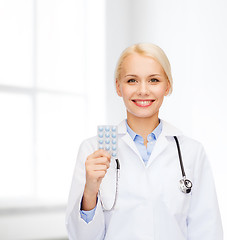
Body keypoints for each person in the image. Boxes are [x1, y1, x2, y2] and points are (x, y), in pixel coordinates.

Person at [65, 43, 223, 240]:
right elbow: (81, 237)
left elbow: (207, 230)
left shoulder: (191, 152)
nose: (143, 90)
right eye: (132, 80)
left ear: (168, 86)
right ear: (118, 87)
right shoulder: (93, 149)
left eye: (153, 80)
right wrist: (90, 190)